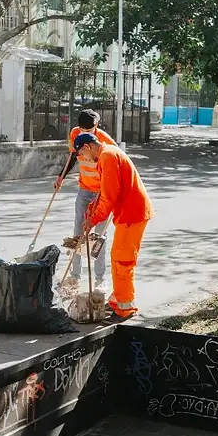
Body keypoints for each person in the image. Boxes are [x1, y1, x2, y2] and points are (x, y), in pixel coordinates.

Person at [76, 132, 153, 322]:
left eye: (82, 155)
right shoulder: (108, 153)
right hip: (130, 213)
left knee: (123, 261)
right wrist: (91, 212)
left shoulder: (107, 156)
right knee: (117, 256)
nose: (84, 160)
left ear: (86, 147)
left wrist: (93, 220)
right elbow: (104, 192)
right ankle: (118, 299)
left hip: (132, 214)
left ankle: (125, 307)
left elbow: (109, 195)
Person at [54, 110, 117, 291]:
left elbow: (116, 164)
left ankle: (99, 280)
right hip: (84, 189)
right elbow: (73, 156)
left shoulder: (105, 141)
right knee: (78, 235)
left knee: (98, 237)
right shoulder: (75, 133)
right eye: (83, 129)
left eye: (89, 129)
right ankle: (74, 277)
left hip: (101, 194)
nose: (85, 132)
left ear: (96, 127)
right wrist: (61, 177)